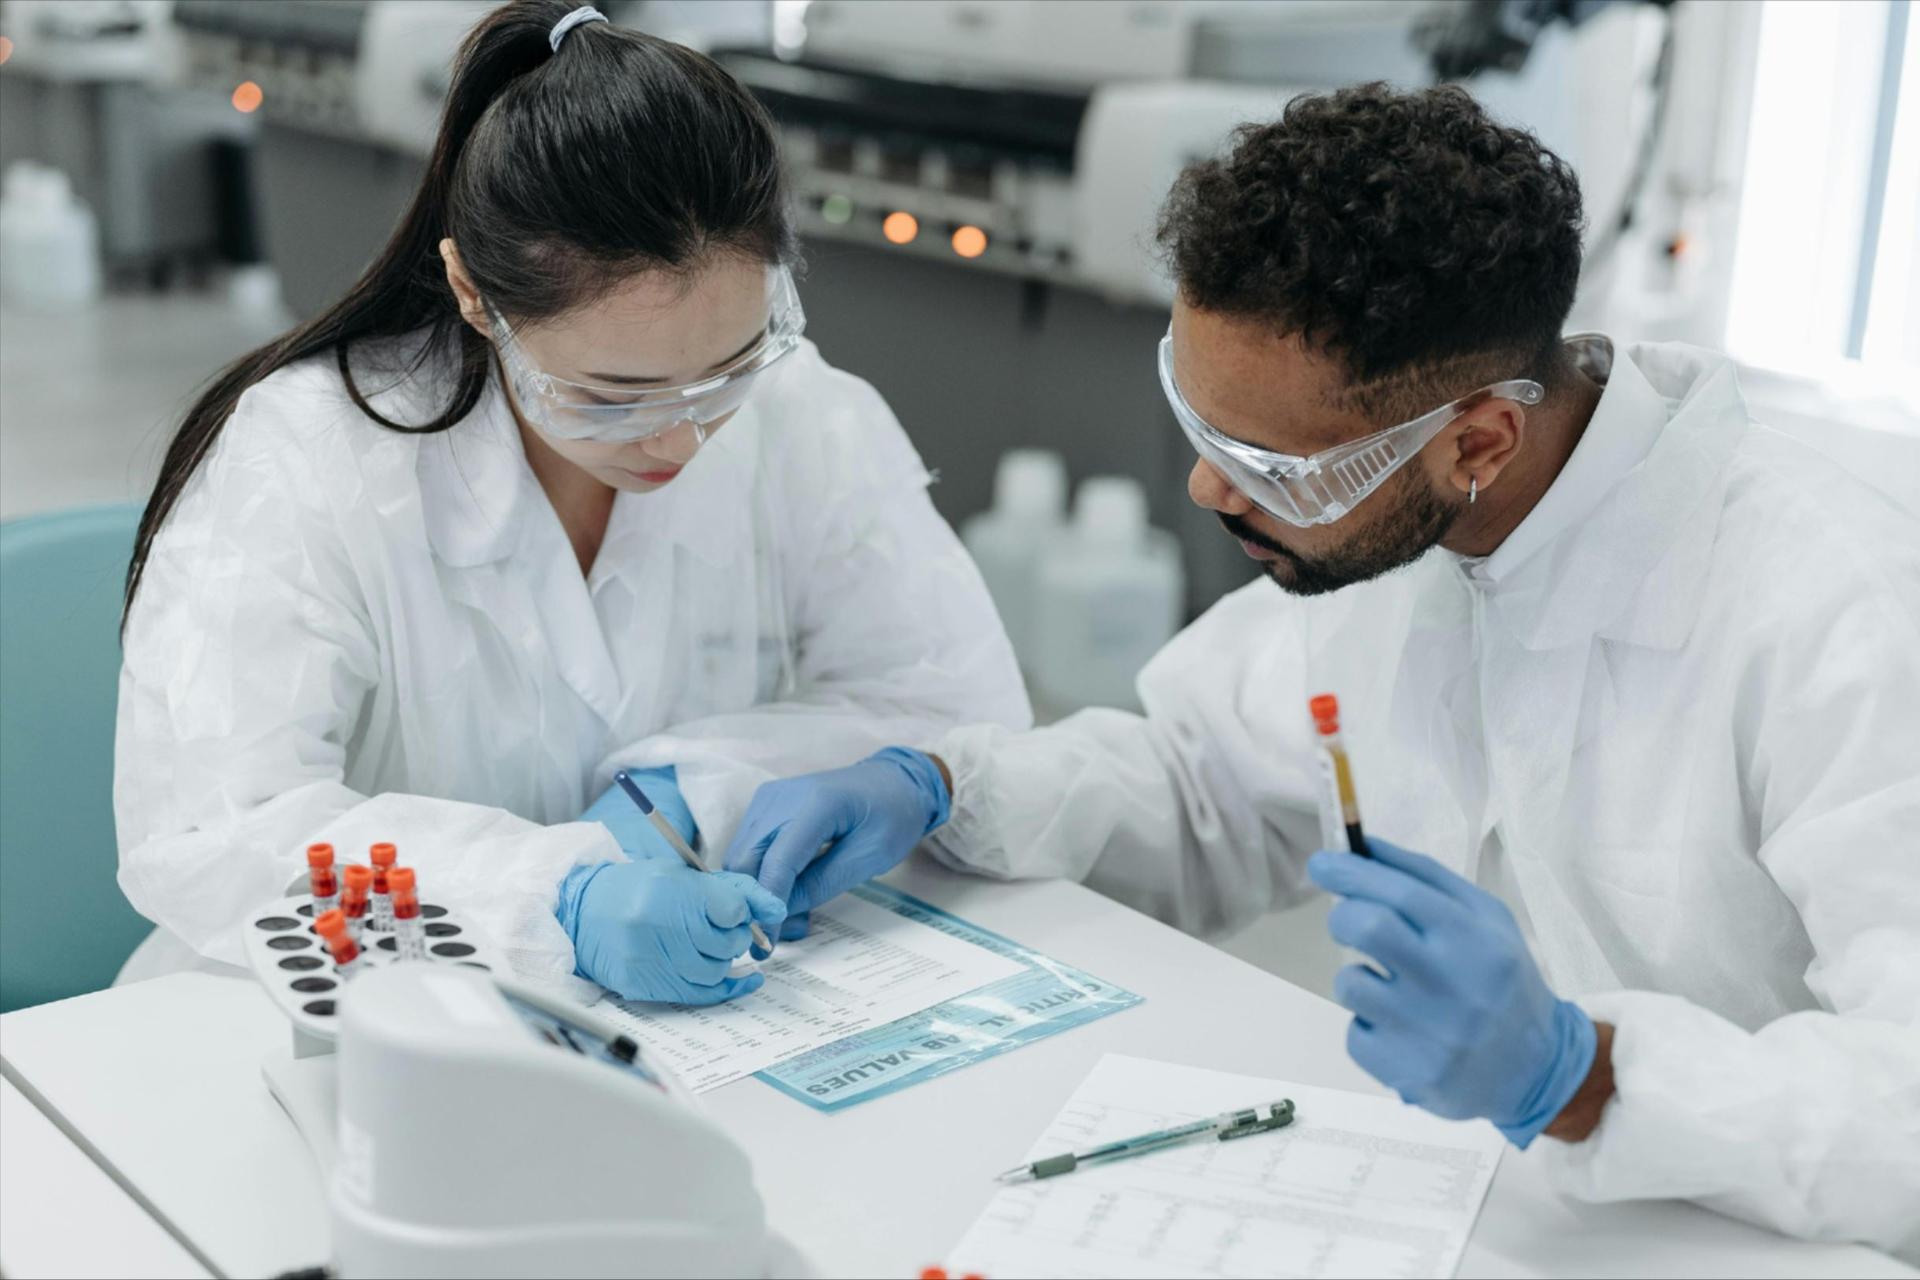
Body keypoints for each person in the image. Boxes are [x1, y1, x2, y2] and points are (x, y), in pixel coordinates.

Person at [721, 83, 1920, 1256]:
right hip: (1463, 1207)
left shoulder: (1840, 613)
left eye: (1271, 465)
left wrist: (1585, 1075)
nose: (1210, 486)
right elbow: (1202, 785)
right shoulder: (1416, 529)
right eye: (1197, 420)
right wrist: (944, 787)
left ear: (1477, 440)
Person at [113, 1, 1027, 1006]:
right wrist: (551, 896)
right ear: (473, 292)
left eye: (728, 371)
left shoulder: (807, 417)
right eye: (613, 395)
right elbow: (215, 829)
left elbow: (955, 708)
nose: (679, 439)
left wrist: (697, 785)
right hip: (332, 1012)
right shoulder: (308, 457)